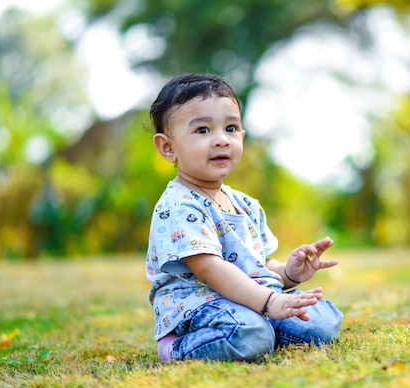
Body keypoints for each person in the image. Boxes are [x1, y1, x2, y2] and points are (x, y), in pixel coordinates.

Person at [146, 73, 343, 362]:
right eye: (202, 130)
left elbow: (258, 265)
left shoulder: (245, 204)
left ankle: (264, 330)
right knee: (250, 332)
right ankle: (177, 348)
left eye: (230, 128)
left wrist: (288, 274)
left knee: (321, 322)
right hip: (201, 308)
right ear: (168, 147)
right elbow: (210, 269)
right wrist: (271, 302)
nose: (221, 140)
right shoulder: (179, 205)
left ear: (242, 136)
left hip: (250, 302)